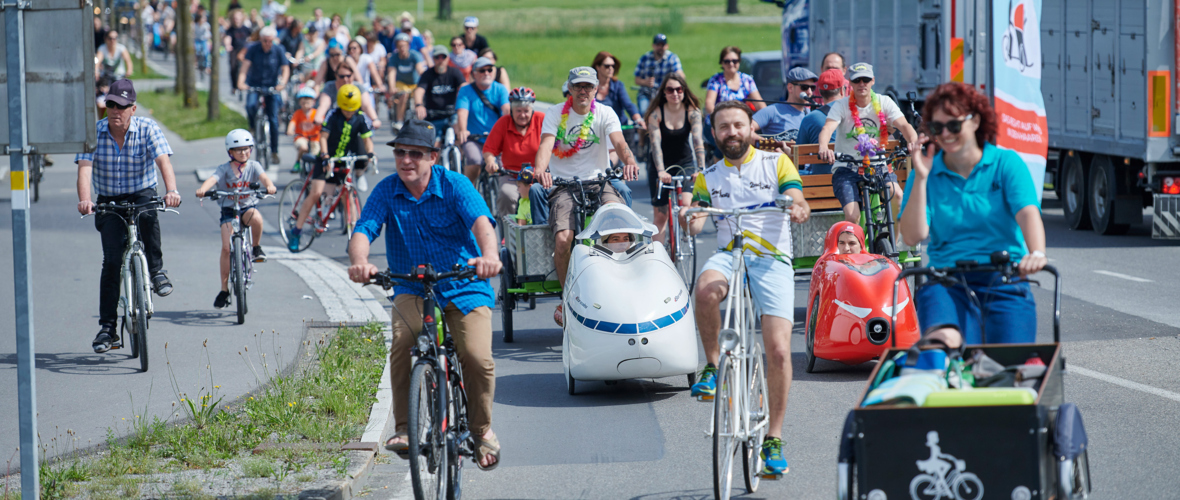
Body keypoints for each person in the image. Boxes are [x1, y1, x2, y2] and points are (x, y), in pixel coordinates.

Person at [347, 119, 502, 470]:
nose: (406, 160)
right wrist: (360, 262)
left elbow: (482, 222)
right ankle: (404, 429)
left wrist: (489, 258)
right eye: (400, 152)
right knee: (403, 342)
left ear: (432, 156)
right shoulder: (387, 190)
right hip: (413, 287)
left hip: (464, 282)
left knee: (476, 356)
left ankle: (482, 430)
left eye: (415, 154)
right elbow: (364, 229)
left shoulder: (455, 184)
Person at [686, 100, 811, 477]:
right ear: (714, 134)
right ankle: (711, 366)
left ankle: (773, 438)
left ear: (751, 127)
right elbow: (696, 218)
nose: (732, 133)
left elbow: (797, 197)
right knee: (705, 290)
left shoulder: (776, 163)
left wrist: (798, 207)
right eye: (724, 127)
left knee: (778, 350)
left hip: (771, 258)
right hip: (729, 253)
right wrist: (691, 214)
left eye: (738, 125)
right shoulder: (708, 175)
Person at [898, 82, 1046, 347]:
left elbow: (1027, 212)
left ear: (975, 121)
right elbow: (912, 236)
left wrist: (1036, 253)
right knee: (944, 345)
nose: (946, 134)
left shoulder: (1005, 163)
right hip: (946, 282)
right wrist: (920, 178)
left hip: (1004, 278)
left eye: (954, 125)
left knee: (1011, 363)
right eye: (936, 128)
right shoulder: (924, 171)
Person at [75, 79, 181, 353]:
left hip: (141, 193)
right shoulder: (94, 132)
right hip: (109, 201)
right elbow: (85, 169)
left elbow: (163, 161)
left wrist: (172, 190)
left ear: (133, 108)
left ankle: (156, 271)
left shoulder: (148, 128)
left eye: (121, 106)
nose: (115, 110)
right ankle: (108, 328)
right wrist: (85, 200)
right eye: (110, 104)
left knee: (149, 214)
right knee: (111, 261)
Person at [531, 67, 640, 326]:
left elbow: (620, 142)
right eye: (578, 86)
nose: (583, 91)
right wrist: (539, 169)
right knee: (563, 240)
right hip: (564, 185)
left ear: (596, 89)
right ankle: (568, 295)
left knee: (619, 225)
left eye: (588, 86)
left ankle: (623, 284)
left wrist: (630, 161)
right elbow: (546, 144)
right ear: (569, 88)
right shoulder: (556, 113)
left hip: (599, 181)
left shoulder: (605, 113)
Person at [817, 62, 919, 224]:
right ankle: (856, 247)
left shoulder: (883, 101)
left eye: (865, 79)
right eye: (857, 80)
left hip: (878, 166)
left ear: (873, 80)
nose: (862, 84)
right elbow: (828, 128)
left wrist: (913, 141)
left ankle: (891, 247)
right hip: (847, 168)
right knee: (852, 216)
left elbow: (904, 125)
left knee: (898, 199)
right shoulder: (841, 105)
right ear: (850, 83)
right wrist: (823, 147)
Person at [195, 130, 278, 308]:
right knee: (226, 248)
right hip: (228, 210)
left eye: (246, 149)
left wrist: (269, 186)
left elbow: (264, 178)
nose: (243, 153)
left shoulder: (254, 166)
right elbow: (213, 179)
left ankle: (256, 247)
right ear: (230, 152)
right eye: (238, 150)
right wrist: (203, 189)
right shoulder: (224, 168)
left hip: (247, 207)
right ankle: (224, 289)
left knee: (256, 217)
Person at [288, 84, 374, 251]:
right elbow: (323, 137)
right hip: (326, 159)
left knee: (347, 194)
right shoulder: (333, 116)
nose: (349, 113)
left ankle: (355, 236)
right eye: (346, 109)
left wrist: (370, 153)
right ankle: (296, 231)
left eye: (352, 110)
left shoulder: (360, 117)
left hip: (343, 160)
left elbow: (366, 138)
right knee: (316, 193)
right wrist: (326, 155)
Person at [645, 74, 706, 246]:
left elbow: (697, 141)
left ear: (684, 91)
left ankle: (685, 232)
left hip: (684, 162)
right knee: (661, 215)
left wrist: (700, 168)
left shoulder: (692, 112)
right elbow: (655, 145)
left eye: (679, 89)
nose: (675, 93)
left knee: (685, 204)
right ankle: (658, 258)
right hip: (660, 165)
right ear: (664, 92)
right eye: (670, 90)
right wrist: (661, 171)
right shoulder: (656, 114)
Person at [482, 87, 544, 220]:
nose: (522, 115)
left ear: (532, 110)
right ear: (511, 110)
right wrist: (491, 162)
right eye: (518, 111)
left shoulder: (541, 120)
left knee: (541, 195)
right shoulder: (503, 123)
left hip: (537, 175)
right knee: (506, 195)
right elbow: (489, 149)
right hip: (512, 175)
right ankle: (508, 234)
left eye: (526, 111)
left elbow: (555, 144)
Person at [237, 26, 289, 165]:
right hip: (255, 84)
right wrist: (241, 82)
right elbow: (245, 66)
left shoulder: (278, 50)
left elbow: (285, 68)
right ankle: (253, 126)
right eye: (265, 40)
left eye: (270, 41)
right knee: (250, 105)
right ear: (260, 39)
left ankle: (274, 151)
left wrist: (282, 83)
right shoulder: (253, 49)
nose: (267, 43)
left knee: (273, 119)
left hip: (271, 86)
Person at [456, 57, 510, 185]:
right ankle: (467, 193)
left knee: (507, 165)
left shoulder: (500, 89)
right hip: (474, 138)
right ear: (474, 74)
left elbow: (506, 109)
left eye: (489, 69)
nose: (486, 73)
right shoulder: (466, 90)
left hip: (497, 139)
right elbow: (462, 111)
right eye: (482, 70)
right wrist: (463, 130)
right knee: (474, 161)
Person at [796, 68, 847, 174]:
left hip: (821, 185)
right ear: (842, 90)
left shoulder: (809, 118)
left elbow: (800, 160)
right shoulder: (857, 113)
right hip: (858, 182)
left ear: (820, 92)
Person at [413, 46, 466, 143]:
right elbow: (419, 90)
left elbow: (464, 87)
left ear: (448, 59)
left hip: (452, 113)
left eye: (443, 57)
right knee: (434, 145)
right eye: (437, 57)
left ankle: (459, 157)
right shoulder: (428, 74)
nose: (440, 60)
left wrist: (464, 103)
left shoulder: (454, 72)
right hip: (433, 115)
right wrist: (419, 105)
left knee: (460, 137)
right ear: (433, 59)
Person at [752, 67, 817, 142]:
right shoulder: (772, 111)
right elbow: (746, 129)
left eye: (812, 88)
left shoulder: (811, 115)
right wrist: (767, 145)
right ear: (790, 88)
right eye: (804, 87)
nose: (810, 92)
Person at [704, 46, 766, 116]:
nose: (731, 64)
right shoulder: (716, 80)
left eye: (735, 61)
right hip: (720, 119)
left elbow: (759, 103)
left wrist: (766, 115)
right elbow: (709, 104)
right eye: (727, 61)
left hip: (740, 119)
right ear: (722, 63)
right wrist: (719, 118)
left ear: (739, 62)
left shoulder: (746, 80)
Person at [633, 33, 685, 114]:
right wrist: (645, 82)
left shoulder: (672, 58)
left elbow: (680, 75)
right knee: (644, 112)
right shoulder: (644, 58)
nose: (660, 48)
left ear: (667, 46)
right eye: (658, 45)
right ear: (653, 46)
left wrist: (673, 80)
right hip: (646, 93)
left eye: (662, 45)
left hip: (664, 93)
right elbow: (636, 80)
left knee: (664, 113)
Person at [386, 33, 427, 128]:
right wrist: (392, 87)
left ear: (408, 46)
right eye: (399, 46)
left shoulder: (414, 56)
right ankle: (399, 121)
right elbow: (391, 73)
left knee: (419, 97)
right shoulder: (394, 58)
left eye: (404, 46)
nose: (402, 49)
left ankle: (420, 120)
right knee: (403, 94)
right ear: (396, 47)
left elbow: (419, 69)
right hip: (401, 83)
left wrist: (426, 78)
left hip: (414, 83)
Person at [286, 87, 320, 173]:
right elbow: (292, 123)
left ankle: (314, 171)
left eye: (308, 102)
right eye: (303, 103)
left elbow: (322, 123)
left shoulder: (316, 113)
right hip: (301, 137)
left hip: (314, 138)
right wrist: (290, 130)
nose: (305, 105)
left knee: (316, 154)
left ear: (313, 102)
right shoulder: (298, 113)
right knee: (303, 147)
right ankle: (297, 162)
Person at [223, 9, 252, 96]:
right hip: (234, 50)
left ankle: (244, 83)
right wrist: (228, 45)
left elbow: (251, 37)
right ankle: (234, 86)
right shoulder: (231, 29)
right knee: (233, 67)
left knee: (246, 67)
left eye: (238, 18)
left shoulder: (246, 29)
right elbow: (228, 38)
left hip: (244, 50)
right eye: (235, 18)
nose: (236, 20)